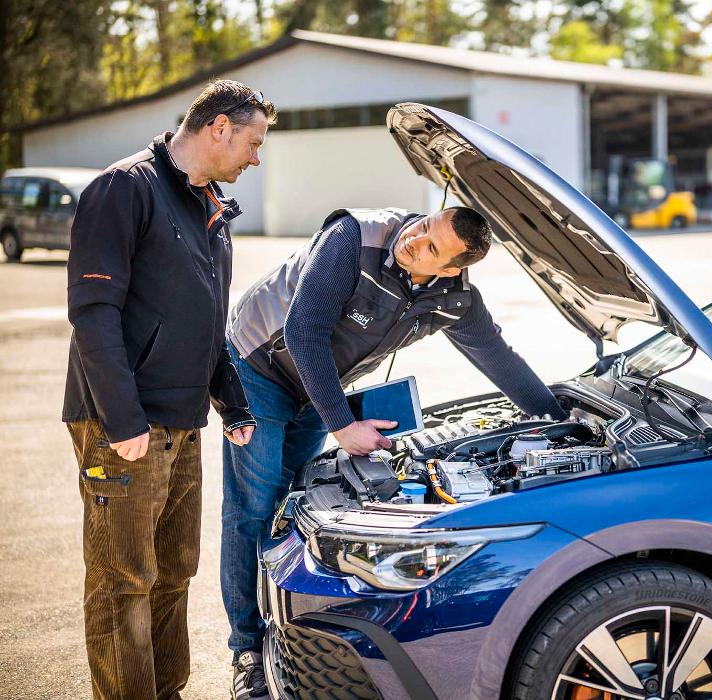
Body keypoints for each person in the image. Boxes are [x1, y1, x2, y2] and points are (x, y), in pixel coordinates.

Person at [222, 205, 566, 698]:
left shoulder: (455, 300)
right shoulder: (354, 239)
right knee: (253, 511)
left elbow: (498, 358)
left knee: (293, 508)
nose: (414, 240)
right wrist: (342, 425)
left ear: (451, 269)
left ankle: (288, 632)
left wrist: (558, 420)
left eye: (431, 246)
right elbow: (303, 330)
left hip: (320, 383)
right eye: (423, 226)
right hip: (258, 364)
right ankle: (248, 650)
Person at [62, 79, 276, 700]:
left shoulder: (209, 206)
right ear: (219, 128)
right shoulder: (124, 189)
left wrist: (229, 398)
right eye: (254, 142)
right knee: (122, 578)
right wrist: (122, 419)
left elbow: (206, 316)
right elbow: (93, 311)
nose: (256, 158)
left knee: (173, 573)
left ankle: (166, 690)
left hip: (181, 422)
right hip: (122, 424)